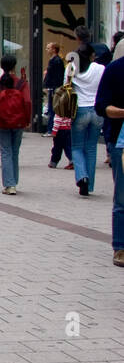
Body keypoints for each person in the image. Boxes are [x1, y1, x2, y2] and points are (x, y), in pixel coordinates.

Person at [93, 49, 124, 265]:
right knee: (122, 196)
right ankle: (120, 247)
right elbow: (102, 106)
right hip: (121, 142)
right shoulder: (115, 69)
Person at [65, 29, 104, 196]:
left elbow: (66, 88)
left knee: (77, 147)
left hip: (79, 109)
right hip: (96, 110)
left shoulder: (71, 68)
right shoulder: (100, 68)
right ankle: (90, 184)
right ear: (91, 55)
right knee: (91, 147)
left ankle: (82, 176)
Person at [0, 55, 31, 195]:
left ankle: (9, 184)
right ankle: (14, 181)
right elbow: (27, 102)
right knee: (14, 151)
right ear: (15, 66)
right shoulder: (21, 84)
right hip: (19, 121)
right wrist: (27, 119)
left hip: (3, 121)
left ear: (2, 66)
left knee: (5, 151)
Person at [43, 43, 65, 134]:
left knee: (52, 108)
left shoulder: (56, 61)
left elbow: (56, 76)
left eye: (48, 48)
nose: (46, 50)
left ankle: (51, 129)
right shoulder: (54, 60)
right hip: (53, 87)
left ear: (53, 49)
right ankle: (51, 128)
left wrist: (52, 86)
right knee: (51, 108)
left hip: (54, 87)